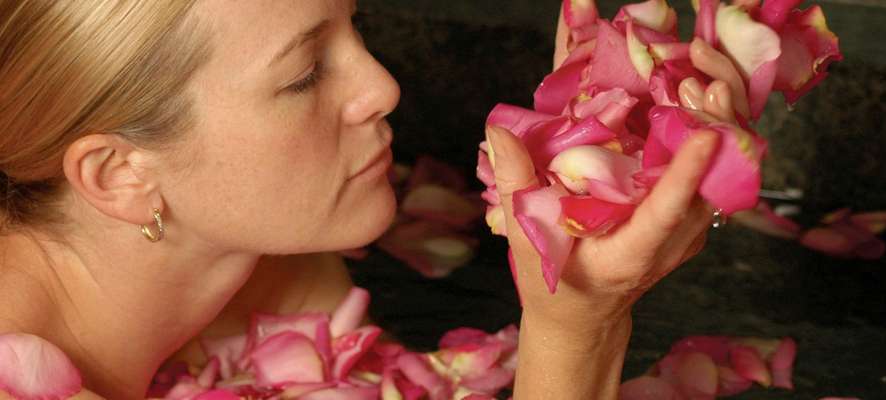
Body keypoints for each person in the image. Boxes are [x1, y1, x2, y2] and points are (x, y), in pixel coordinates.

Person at [0, 1, 745, 398]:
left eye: (354, 28)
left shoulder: (273, 280)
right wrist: (578, 322)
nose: (382, 87)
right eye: (302, 75)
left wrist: (609, 172)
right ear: (118, 175)